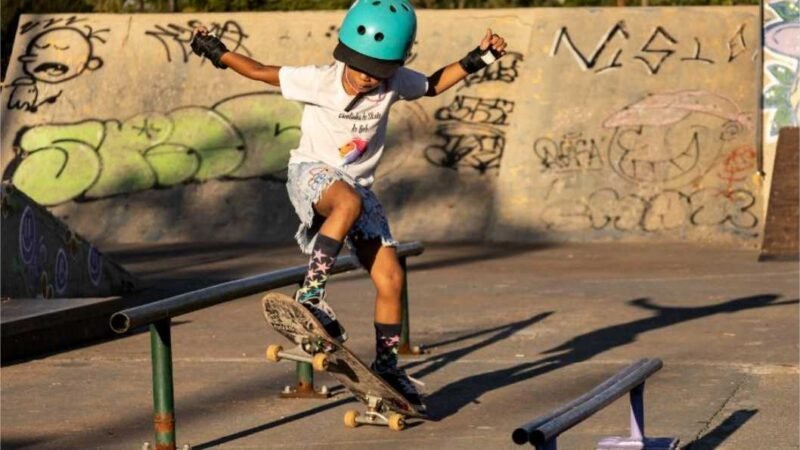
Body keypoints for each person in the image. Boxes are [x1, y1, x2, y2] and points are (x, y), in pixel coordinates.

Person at [191, 0, 507, 412]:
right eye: (359, 69)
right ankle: (311, 294)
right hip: (312, 174)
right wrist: (215, 49)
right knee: (347, 202)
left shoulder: (393, 82)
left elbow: (432, 84)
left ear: (393, 68)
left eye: (378, 74)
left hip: (357, 188)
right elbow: (258, 70)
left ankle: (388, 366)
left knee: (391, 278)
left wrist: (479, 57)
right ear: (344, 55)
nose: (365, 80)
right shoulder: (319, 80)